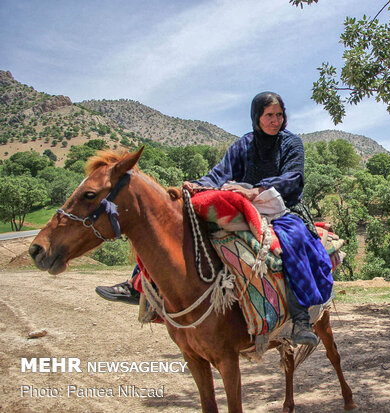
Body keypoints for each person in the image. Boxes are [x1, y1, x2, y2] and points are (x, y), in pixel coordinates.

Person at [96, 92, 333, 346]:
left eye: (279, 115)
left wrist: (258, 190)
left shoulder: (292, 143)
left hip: (284, 206)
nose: (275, 120)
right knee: (181, 224)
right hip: (243, 202)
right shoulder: (245, 144)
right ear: (257, 117)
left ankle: (300, 320)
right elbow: (221, 173)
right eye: (269, 116)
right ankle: (137, 284)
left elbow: (293, 178)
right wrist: (197, 185)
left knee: (294, 239)